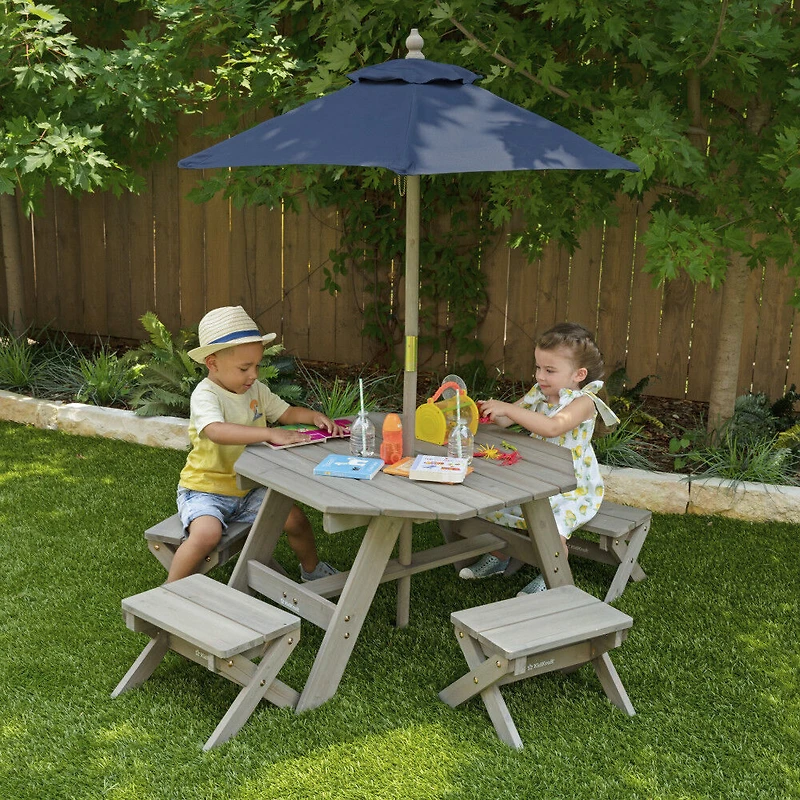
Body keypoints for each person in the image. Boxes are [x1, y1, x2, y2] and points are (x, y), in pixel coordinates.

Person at [167, 305, 346, 583]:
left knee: (296, 520)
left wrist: (314, 416)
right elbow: (215, 431)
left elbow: (286, 413)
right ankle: (169, 592)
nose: (253, 374)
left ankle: (312, 572)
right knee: (206, 535)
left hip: (250, 488)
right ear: (212, 363)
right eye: (244, 368)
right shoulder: (205, 395)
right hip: (205, 489)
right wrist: (268, 434)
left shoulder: (255, 390)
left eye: (257, 366)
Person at [460, 322, 619, 594]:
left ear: (578, 374)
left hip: (572, 485)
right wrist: (487, 412)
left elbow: (553, 427)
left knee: (553, 527)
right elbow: (506, 421)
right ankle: (500, 558)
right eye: (538, 368)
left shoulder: (584, 402)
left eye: (550, 370)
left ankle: (551, 576)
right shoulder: (540, 393)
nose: (540, 376)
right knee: (501, 508)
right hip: (535, 476)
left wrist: (509, 409)